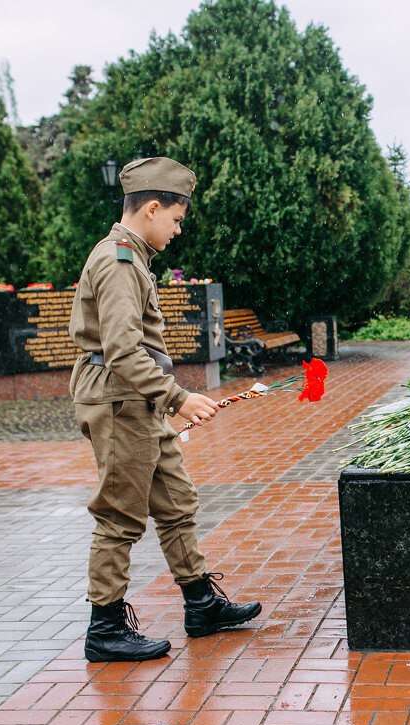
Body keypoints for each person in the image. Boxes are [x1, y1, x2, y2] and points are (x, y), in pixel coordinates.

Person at [68, 156, 261, 662]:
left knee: (176, 503)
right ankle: (105, 628)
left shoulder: (133, 257)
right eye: (175, 219)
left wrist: (166, 398)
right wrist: (178, 398)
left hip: (135, 400)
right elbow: (122, 350)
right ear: (151, 208)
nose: (177, 230)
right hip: (117, 401)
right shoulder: (117, 261)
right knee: (119, 516)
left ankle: (201, 605)